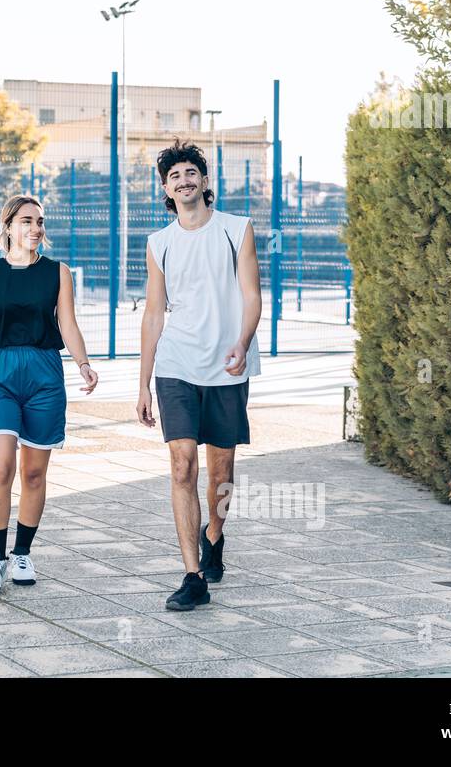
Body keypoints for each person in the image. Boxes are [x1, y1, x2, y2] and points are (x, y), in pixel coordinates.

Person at [0, 194, 98, 594]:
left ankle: (22, 554)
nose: (36, 229)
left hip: (44, 373)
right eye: (27, 221)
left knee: (34, 473)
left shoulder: (57, 272)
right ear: (8, 227)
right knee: (1, 468)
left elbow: (67, 323)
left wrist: (83, 363)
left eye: (40, 222)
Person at [137, 139, 261, 611]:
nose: (184, 181)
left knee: (222, 473)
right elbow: (153, 315)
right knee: (182, 464)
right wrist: (144, 382)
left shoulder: (236, 229)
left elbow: (251, 295)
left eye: (191, 173)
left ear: (205, 181)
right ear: (166, 190)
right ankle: (192, 577)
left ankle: (215, 534)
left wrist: (243, 342)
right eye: (175, 176)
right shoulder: (159, 243)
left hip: (227, 365)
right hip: (177, 366)